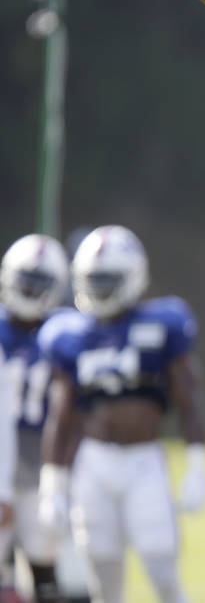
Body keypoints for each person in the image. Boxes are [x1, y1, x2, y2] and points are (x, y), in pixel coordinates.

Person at [36, 225, 205, 603]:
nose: (98, 288)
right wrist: (54, 482)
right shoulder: (69, 333)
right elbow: (61, 413)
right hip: (93, 462)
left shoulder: (164, 323)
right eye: (92, 280)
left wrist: (197, 464)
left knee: (161, 565)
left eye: (107, 279)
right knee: (102, 573)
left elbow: (188, 399)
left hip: (144, 460)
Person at [0, 234, 70, 602]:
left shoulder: (65, 331)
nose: (29, 291)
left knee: (45, 560)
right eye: (24, 280)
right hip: (1, 456)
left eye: (38, 284)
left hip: (45, 460)